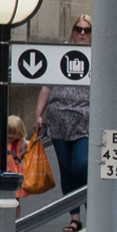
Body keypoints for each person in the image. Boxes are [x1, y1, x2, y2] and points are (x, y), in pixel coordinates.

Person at [39, 16, 91, 189]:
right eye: (79, 29)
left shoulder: (98, 56)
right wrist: (38, 114)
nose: (82, 34)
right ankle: (74, 214)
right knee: (66, 168)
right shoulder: (61, 53)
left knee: (81, 164)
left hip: (84, 120)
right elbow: (47, 86)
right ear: (73, 32)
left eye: (87, 30)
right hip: (58, 119)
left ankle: (88, 199)